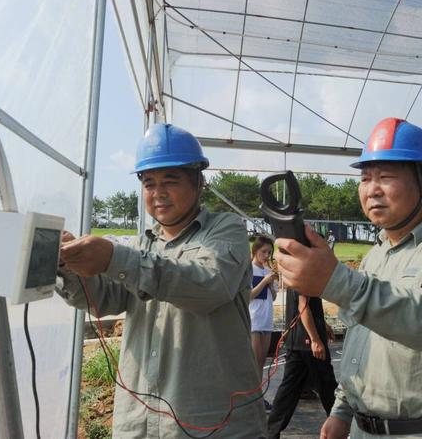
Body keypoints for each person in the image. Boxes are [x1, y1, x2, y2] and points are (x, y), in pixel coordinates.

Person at [274, 117, 422, 438]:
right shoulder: (376, 255)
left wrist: (336, 281)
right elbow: (362, 343)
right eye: (365, 178)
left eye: (386, 176)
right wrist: (343, 409)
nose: (372, 189)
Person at [57, 123, 267, 439]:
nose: (158, 193)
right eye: (149, 184)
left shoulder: (226, 231)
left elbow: (209, 284)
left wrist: (114, 259)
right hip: (140, 423)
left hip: (215, 424)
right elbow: (103, 299)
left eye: (170, 181)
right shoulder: (140, 246)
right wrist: (68, 266)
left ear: (199, 182)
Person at [266, 284, 338, 438]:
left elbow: (307, 306)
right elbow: (303, 305)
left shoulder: (297, 274)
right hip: (307, 344)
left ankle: (270, 433)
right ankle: (341, 426)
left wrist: (323, 326)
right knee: (328, 387)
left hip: (297, 342)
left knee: (288, 391)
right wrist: (315, 339)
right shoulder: (304, 273)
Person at [249, 235, 279, 411]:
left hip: (266, 321)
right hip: (253, 321)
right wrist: (264, 282)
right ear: (255, 251)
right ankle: (250, 399)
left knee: (261, 362)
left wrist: (271, 283)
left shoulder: (267, 272)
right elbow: (248, 296)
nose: (267, 255)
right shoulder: (249, 270)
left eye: (269, 252)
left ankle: (257, 398)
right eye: (264, 252)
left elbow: (274, 297)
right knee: (252, 363)